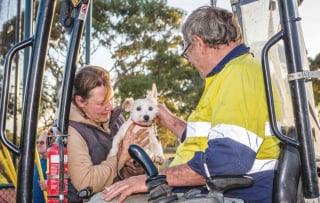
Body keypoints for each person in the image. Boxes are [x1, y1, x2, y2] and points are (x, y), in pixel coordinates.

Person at [94, 6, 282, 203]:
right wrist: (169, 121)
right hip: (210, 190)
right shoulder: (230, 74)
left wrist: (152, 179)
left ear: (198, 43)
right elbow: (206, 138)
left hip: (232, 194)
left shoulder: (238, 76)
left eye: (187, 53)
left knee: (102, 200)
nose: (190, 61)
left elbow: (227, 161)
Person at [67, 65, 148, 202]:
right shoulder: (71, 131)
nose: (110, 107)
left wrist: (136, 166)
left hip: (118, 193)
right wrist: (120, 156)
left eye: (111, 99)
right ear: (80, 101)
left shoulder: (116, 119)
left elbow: (121, 172)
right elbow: (86, 183)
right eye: (102, 103)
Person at [33, 131, 49, 203]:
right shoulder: (39, 161)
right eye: (37, 142)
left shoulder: (55, 162)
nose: (38, 144)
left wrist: (50, 184)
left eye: (42, 142)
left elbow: (66, 183)